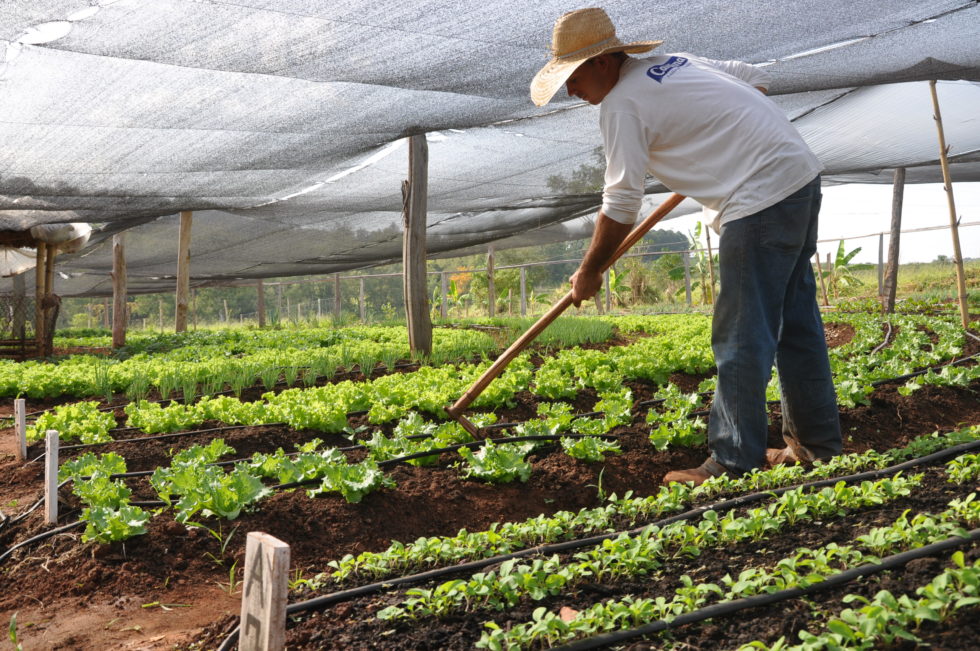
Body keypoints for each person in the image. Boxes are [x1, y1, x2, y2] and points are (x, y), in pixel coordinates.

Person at [530, 7, 842, 485]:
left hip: (758, 200)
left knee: (741, 334)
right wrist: (721, 130)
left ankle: (733, 462)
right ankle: (815, 447)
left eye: (572, 77)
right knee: (795, 323)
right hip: (798, 178)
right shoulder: (676, 63)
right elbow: (750, 78)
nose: (571, 91)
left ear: (602, 62)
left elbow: (621, 201)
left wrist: (591, 269)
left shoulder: (621, 104)